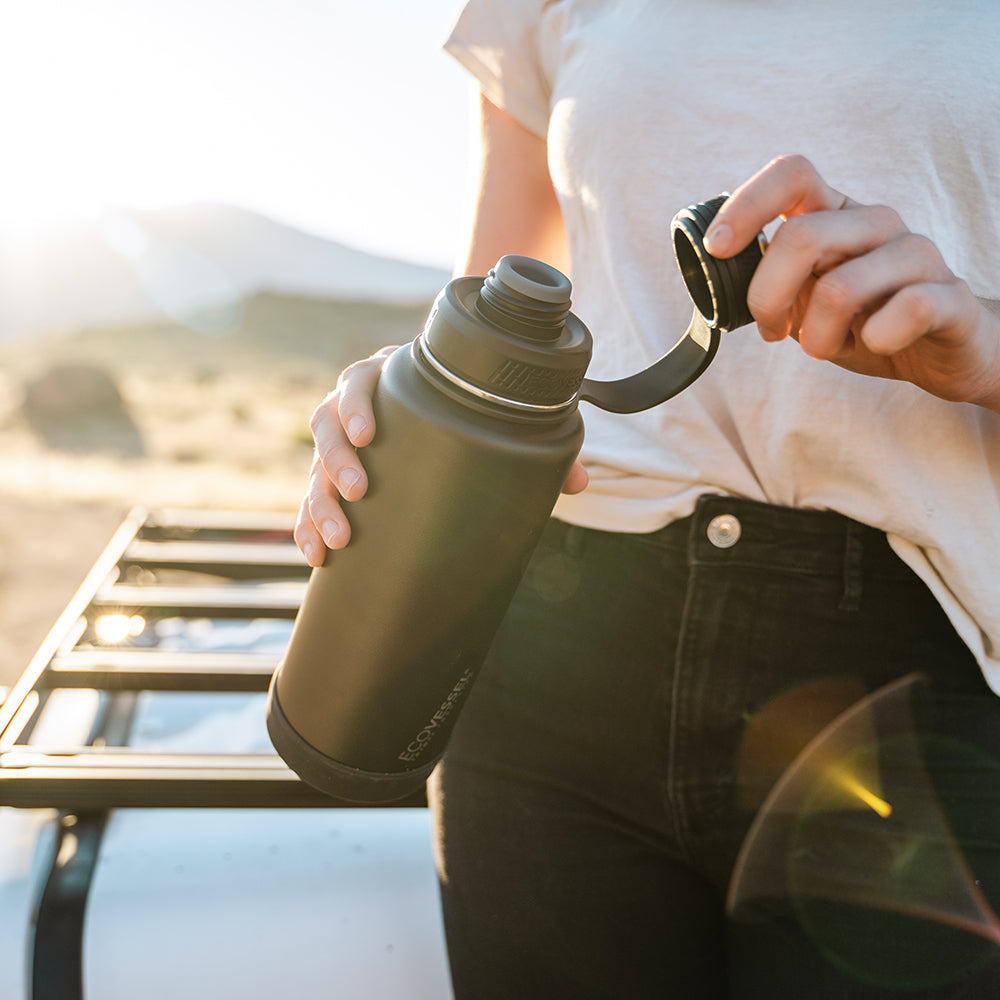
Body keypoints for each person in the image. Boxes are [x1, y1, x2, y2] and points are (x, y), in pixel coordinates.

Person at [294, 2, 1000, 996]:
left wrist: (984, 345)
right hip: (555, 638)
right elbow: (499, 285)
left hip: (911, 684)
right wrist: (416, 398)